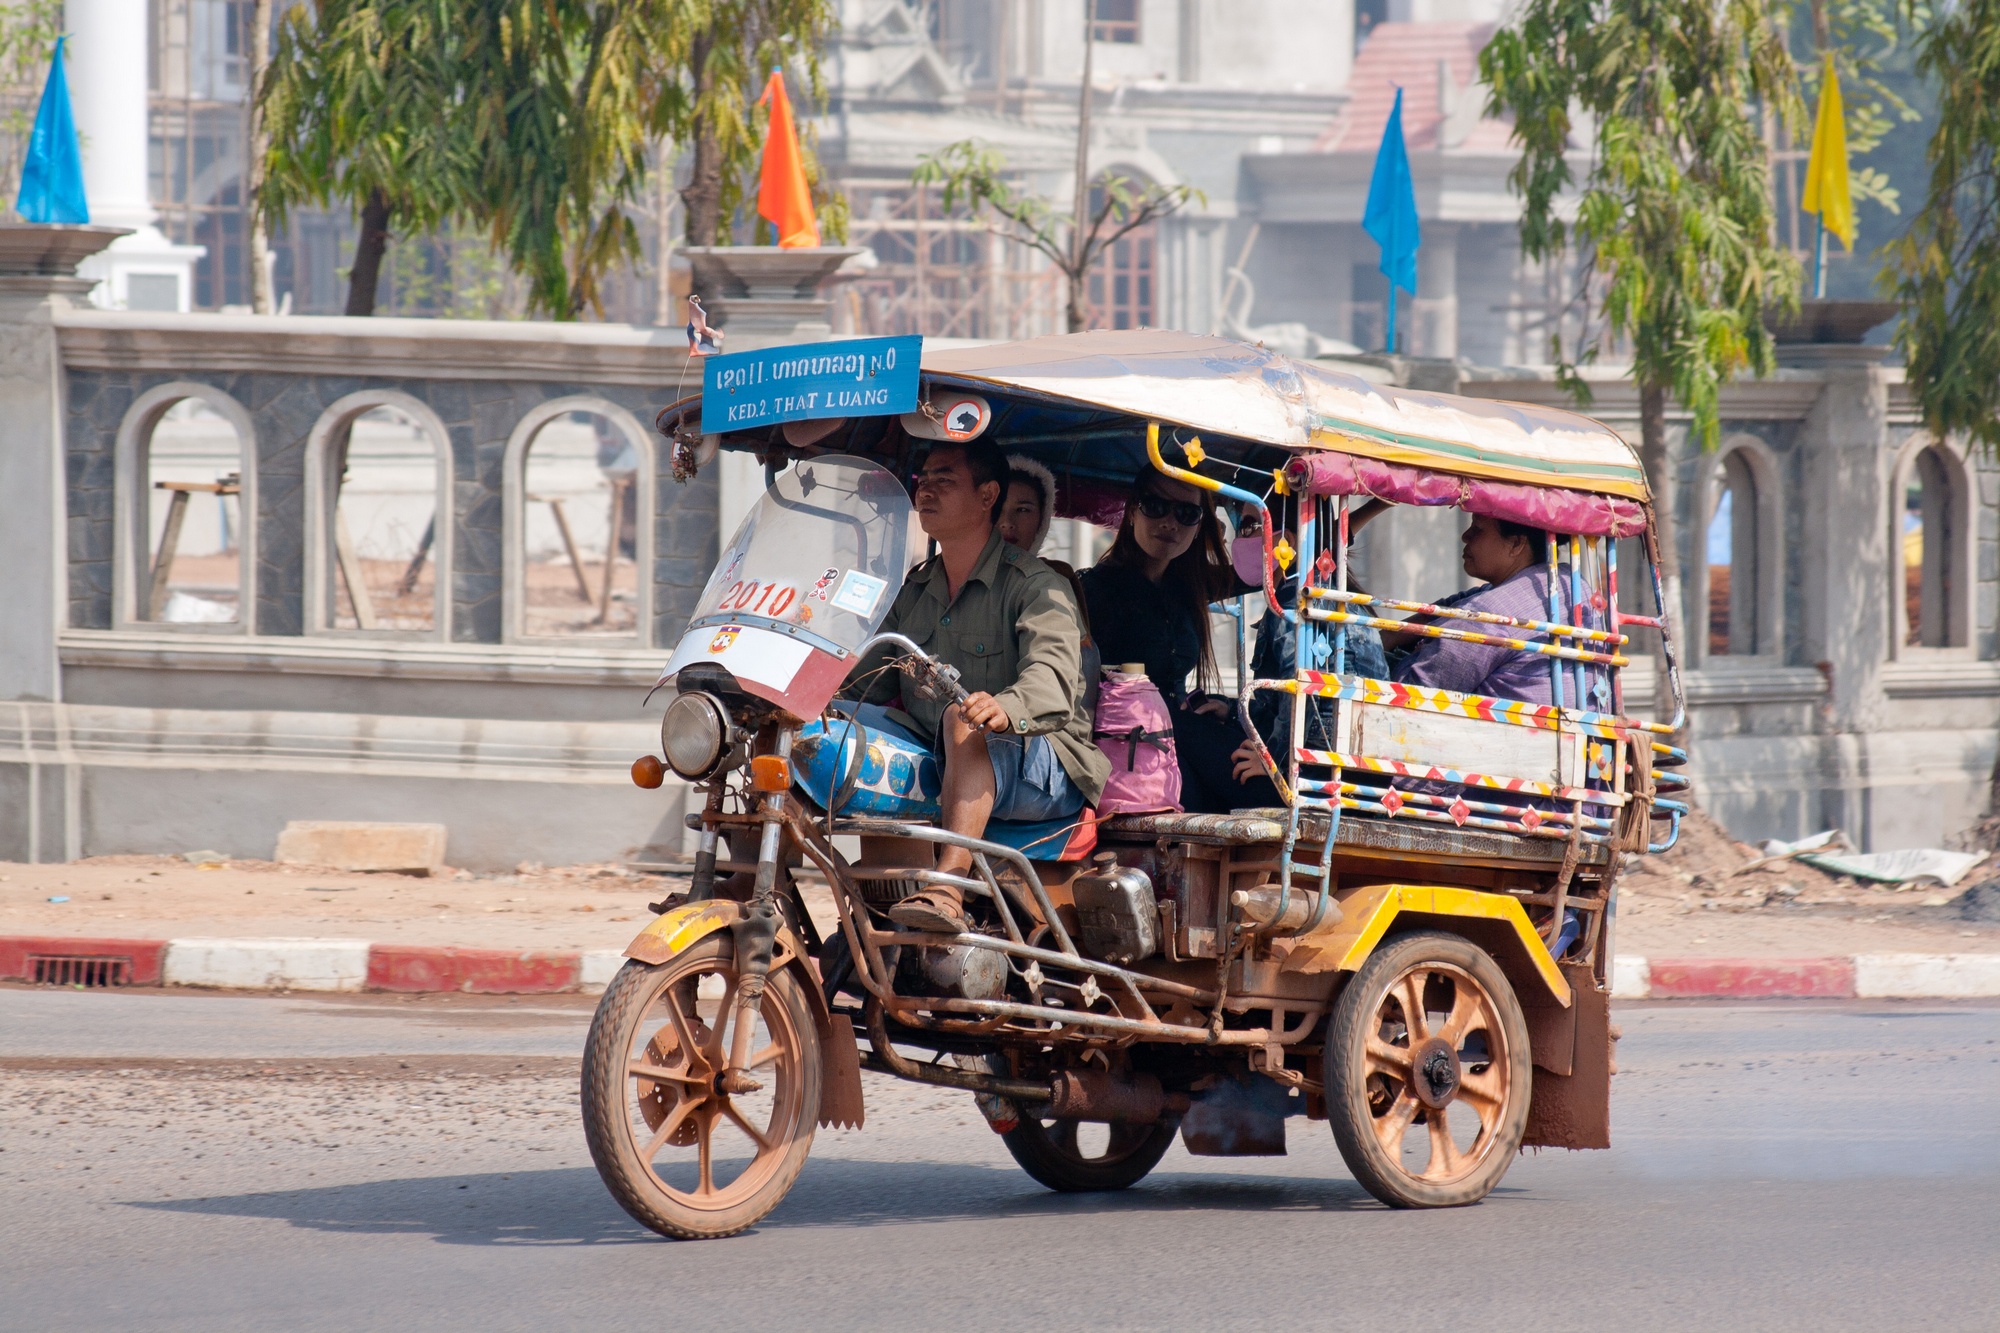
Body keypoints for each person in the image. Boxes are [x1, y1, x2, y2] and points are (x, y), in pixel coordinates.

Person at [840, 440, 1107, 933]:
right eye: (923, 480)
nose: (926, 491)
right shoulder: (915, 590)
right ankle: (755, 879)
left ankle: (949, 886)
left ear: (987, 497)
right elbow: (867, 682)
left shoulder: (1038, 585)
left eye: (945, 480)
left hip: (1043, 759)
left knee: (961, 719)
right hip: (939, 751)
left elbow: (1051, 680)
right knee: (811, 724)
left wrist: (1005, 707)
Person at [1079, 469, 1266, 814]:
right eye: (1154, 506)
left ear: (1199, 526)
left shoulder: (1188, 585)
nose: (1169, 522)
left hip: (1182, 731)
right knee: (1251, 789)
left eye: (1186, 514)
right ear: (1132, 510)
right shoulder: (1094, 590)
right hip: (1130, 742)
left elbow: (1266, 567)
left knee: (1259, 783)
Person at [1386, 513, 1554, 704]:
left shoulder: (1485, 615)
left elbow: (1413, 692)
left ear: (1516, 544)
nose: (1465, 536)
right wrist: (1388, 636)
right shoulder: (1562, 582)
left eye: (1478, 528)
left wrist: (1414, 650)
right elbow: (1447, 607)